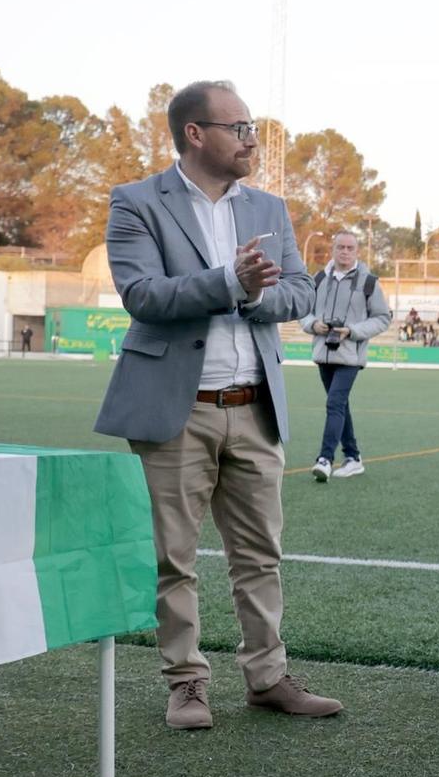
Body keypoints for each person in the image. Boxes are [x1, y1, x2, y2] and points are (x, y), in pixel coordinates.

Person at [92, 78, 342, 729]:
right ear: (195, 133)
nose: (251, 139)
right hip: (177, 410)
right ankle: (186, 683)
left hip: (254, 407)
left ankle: (267, 676)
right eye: (239, 127)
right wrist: (229, 280)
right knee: (174, 557)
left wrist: (256, 294)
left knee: (261, 554)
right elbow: (143, 295)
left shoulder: (269, 207)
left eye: (253, 126)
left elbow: (299, 292)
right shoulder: (137, 202)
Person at [300, 231, 393, 482]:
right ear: (332, 249)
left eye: (350, 248)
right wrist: (313, 325)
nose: (345, 251)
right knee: (340, 405)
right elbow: (304, 312)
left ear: (357, 251)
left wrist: (352, 331)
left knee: (334, 403)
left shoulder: (369, 282)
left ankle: (325, 459)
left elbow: (383, 318)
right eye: (340, 246)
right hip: (323, 353)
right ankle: (353, 457)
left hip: (350, 356)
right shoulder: (318, 278)